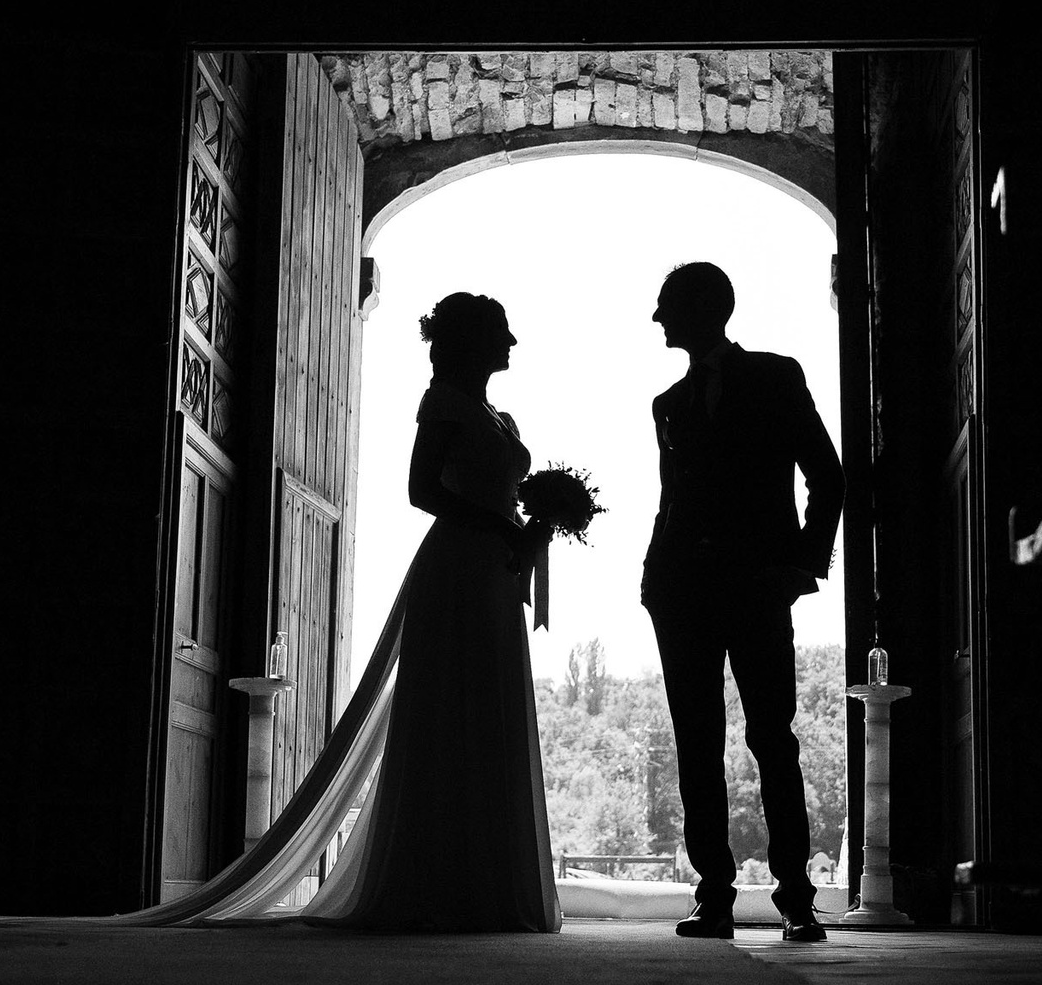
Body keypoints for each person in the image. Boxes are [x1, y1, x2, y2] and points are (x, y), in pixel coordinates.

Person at [137, 292, 560, 933]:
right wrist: (505, 530)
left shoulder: (494, 415)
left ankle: (486, 880)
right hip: (459, 569)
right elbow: (422, 490)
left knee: (488, 705)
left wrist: (535, 524)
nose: (513, 343)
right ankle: (436, 877)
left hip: (494, 573)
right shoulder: (443, 402)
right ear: (472, 340)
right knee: (450, 708)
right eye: (502, 331)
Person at [642, 262, 844, 943]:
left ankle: (794, 895)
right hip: (681, 593)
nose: (657, 318)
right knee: (696, 743)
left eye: (667, 305)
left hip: (760, 587)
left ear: (703, 309)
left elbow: (829, 476)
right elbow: (673, 501)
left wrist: (799, 568)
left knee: (772, 737)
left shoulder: (776, 377)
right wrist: (652, 582)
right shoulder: (665, 404)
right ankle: (715, 895)